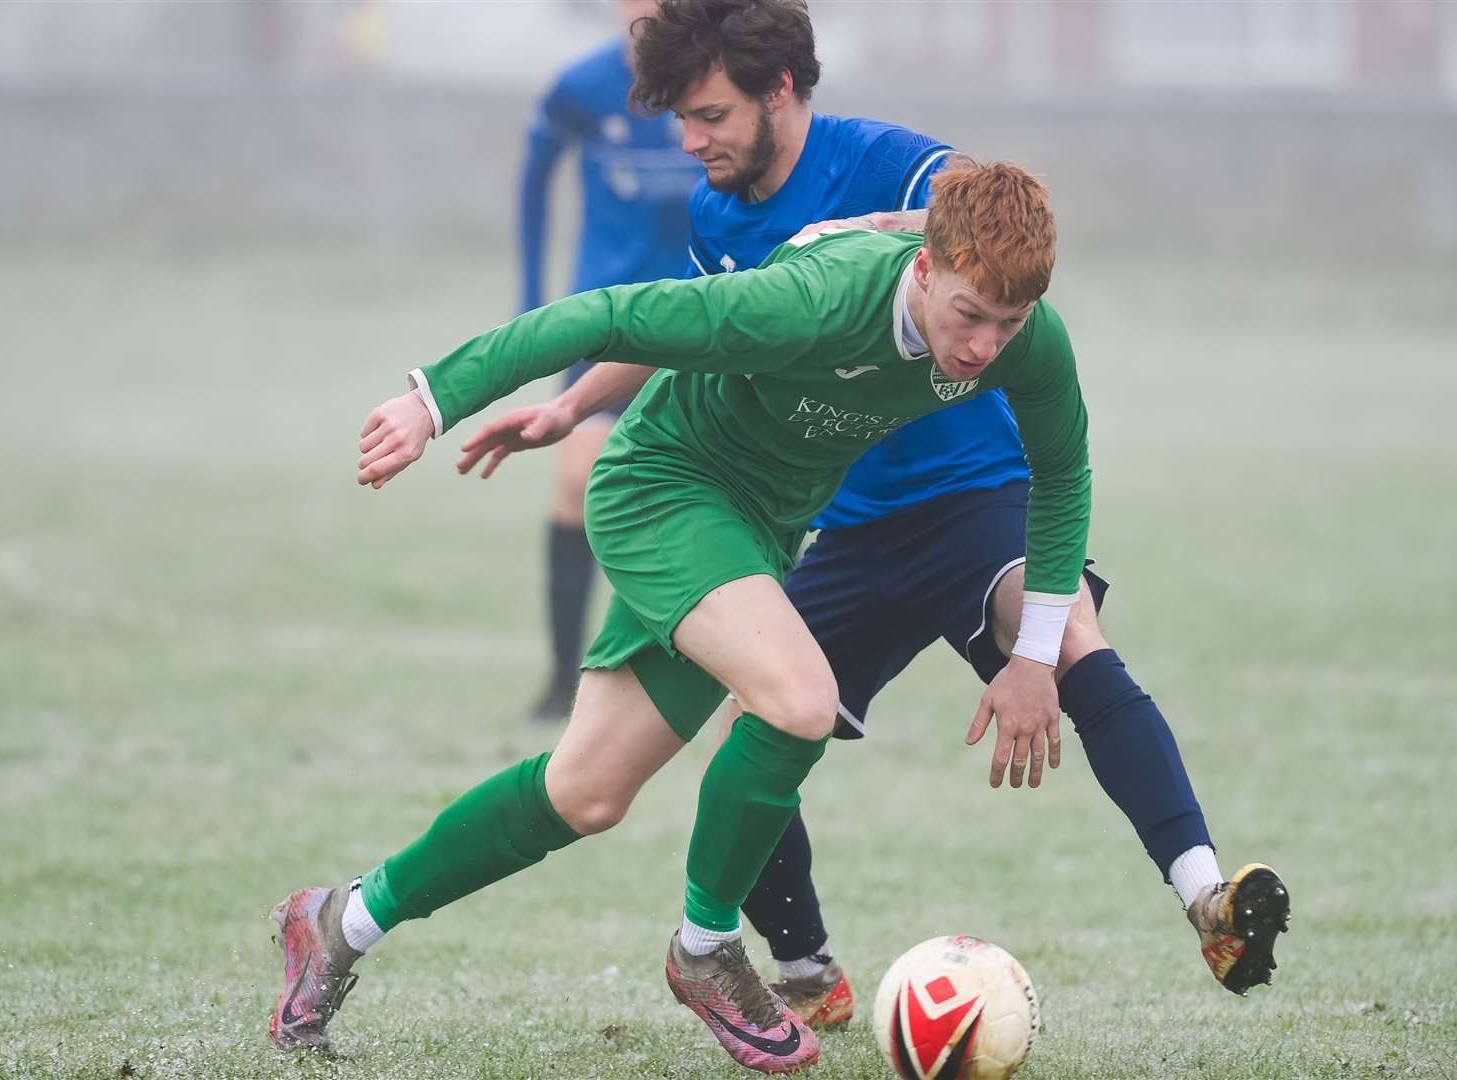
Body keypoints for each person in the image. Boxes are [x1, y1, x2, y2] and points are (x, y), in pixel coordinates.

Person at [456, 0, 1290, 1026]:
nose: (691, 141)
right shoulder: (717, 210)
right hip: (842, 516)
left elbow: (989, 224)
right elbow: (698, 322)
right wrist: (581, 401)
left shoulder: (887, 162)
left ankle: (1206, 891)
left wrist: (855, 238)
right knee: (762, 718)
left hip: (975, 492)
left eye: (709, 112)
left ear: (780, 94)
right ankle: (803, 966)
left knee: (1065, 636)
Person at [270, 159, 1086, 1074]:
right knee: (799, 698)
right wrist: (433, 399)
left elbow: (1061, 475)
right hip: (664, 488)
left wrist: (1034, 656)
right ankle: (705, 950)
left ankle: (336, 922)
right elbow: (606, 314)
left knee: (585, 793)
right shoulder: (809, 302)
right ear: (925, 269)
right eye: (968, 316)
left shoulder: (1023, 338)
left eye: (1005, 324)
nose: (982, 347)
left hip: (760, 528)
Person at [515, 0, 700, 722]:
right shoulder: (581, 87)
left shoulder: (719, 89)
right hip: (608, 323)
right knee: (576, 485)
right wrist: (532, 297)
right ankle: (562, 682)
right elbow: (532, 181)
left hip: (703, 321)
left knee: (721, 492)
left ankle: (730, 670)